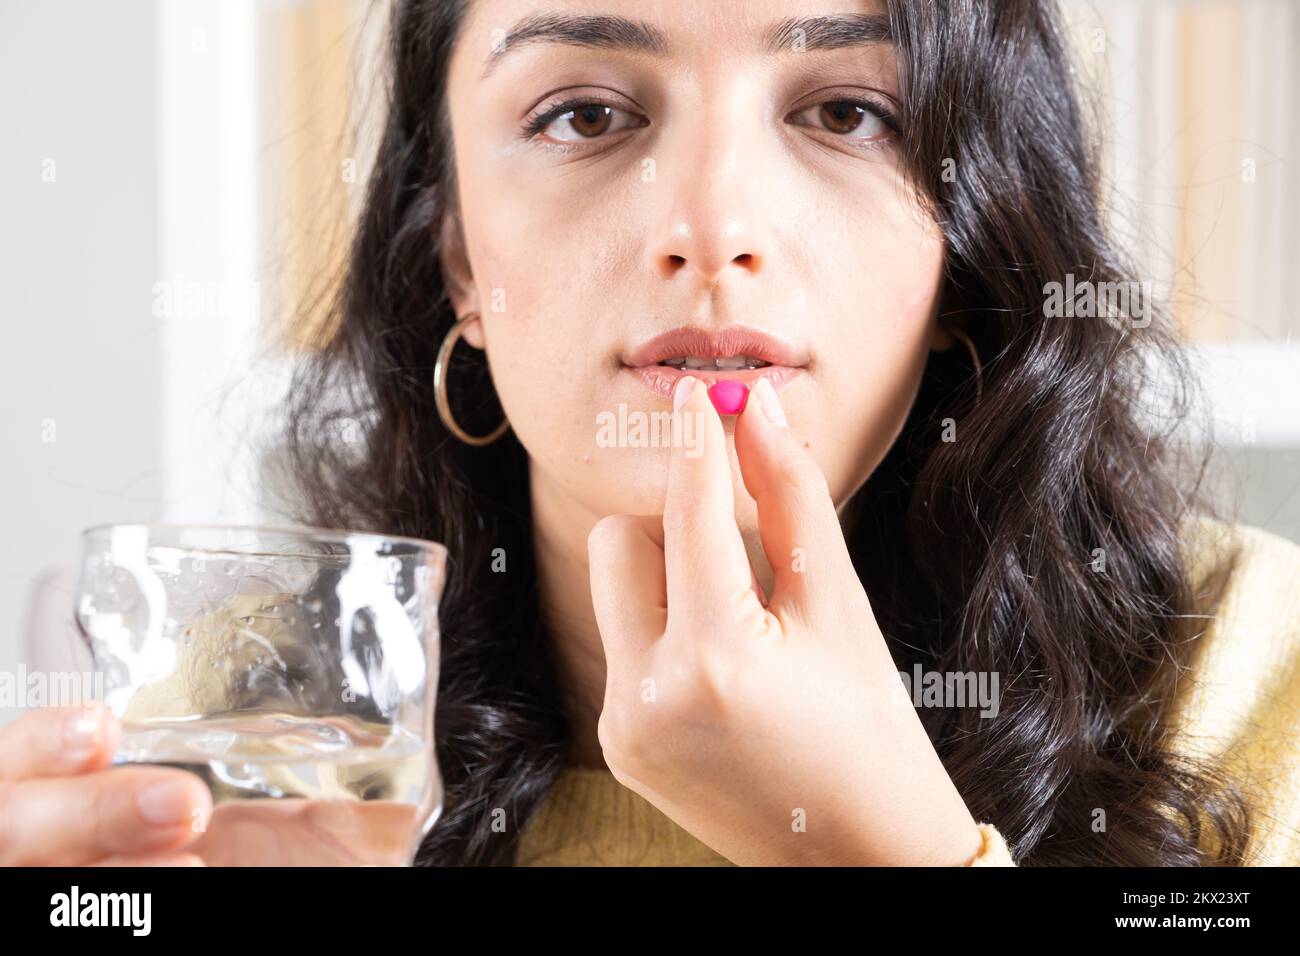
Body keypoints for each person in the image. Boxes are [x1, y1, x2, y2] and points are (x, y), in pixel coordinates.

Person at [3, 0, 1298, 867]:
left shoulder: (1254, 668)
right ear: (455, 251)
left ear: (968, 246)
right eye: (584, 115)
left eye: (847, 111)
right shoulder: (268, 729)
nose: (711, 223)